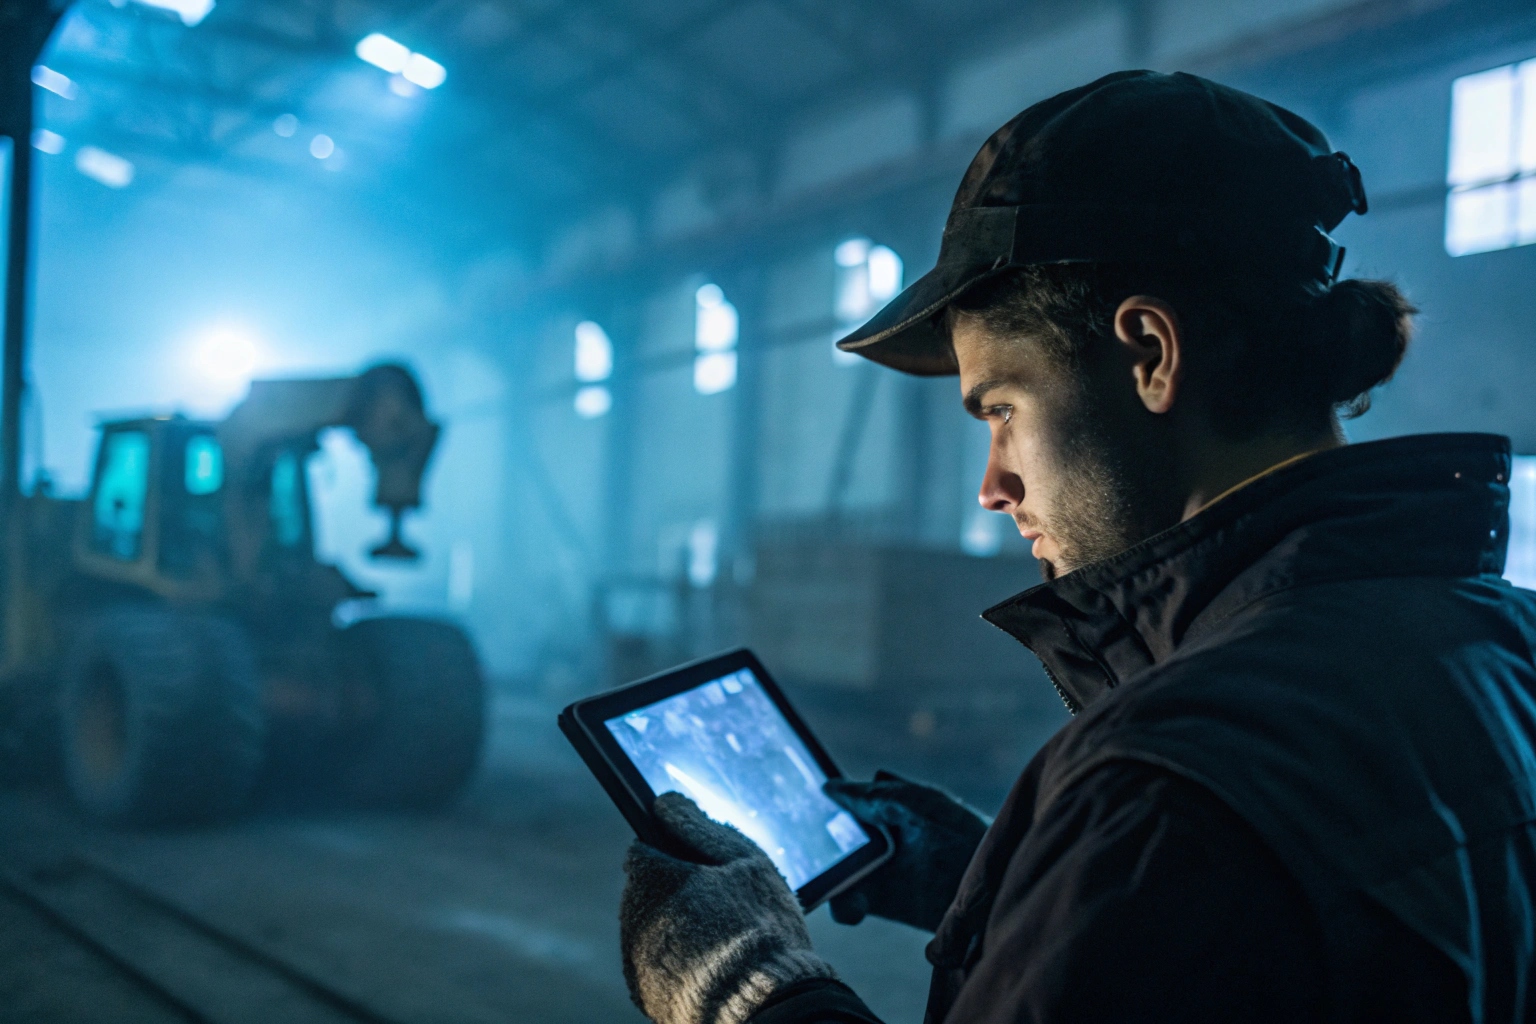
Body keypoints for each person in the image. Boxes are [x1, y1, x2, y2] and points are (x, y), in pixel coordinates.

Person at [617, 70, 1536, 1024]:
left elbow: (1203, 864)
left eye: (1002, 410)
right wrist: (1013, 876)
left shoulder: (1160, 787)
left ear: (1151, 354)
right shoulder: (1505, 644)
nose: (992, 486)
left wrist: (749, 988)